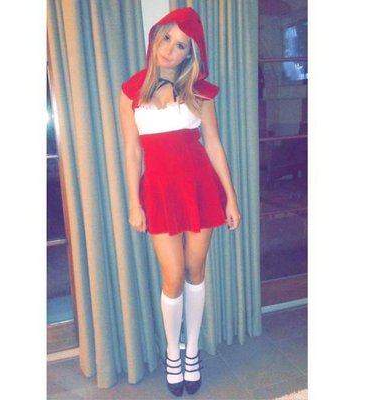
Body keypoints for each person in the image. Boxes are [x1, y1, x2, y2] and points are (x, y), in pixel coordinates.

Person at [119, 7, 241, 397]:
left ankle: (191, 352)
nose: (170, 49)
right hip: (158, 192)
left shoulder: (200, 92)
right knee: (172, 276)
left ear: (191, 53)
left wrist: (231, 199)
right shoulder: (131, 91)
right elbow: (131, 152)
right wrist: (133, 203)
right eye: (167, 38)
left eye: (181, 45)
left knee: (195, 270)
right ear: (156, 37)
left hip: (200, 187)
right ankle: (173, 351)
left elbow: (215, 146)